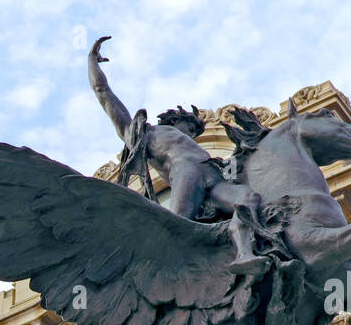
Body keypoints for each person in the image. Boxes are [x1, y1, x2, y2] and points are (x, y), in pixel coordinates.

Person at [88, 36, 269, 275]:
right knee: (179, 227)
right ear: (176, 120)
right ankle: (161, 276)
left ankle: (245, 256)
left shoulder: (196, 148)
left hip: (211, 176)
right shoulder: (146, 133)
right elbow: (103, 92)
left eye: (196, 132)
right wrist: (92, 61)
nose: (193, 135)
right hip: (185, 171)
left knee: (247, 199)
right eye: (191, 128)